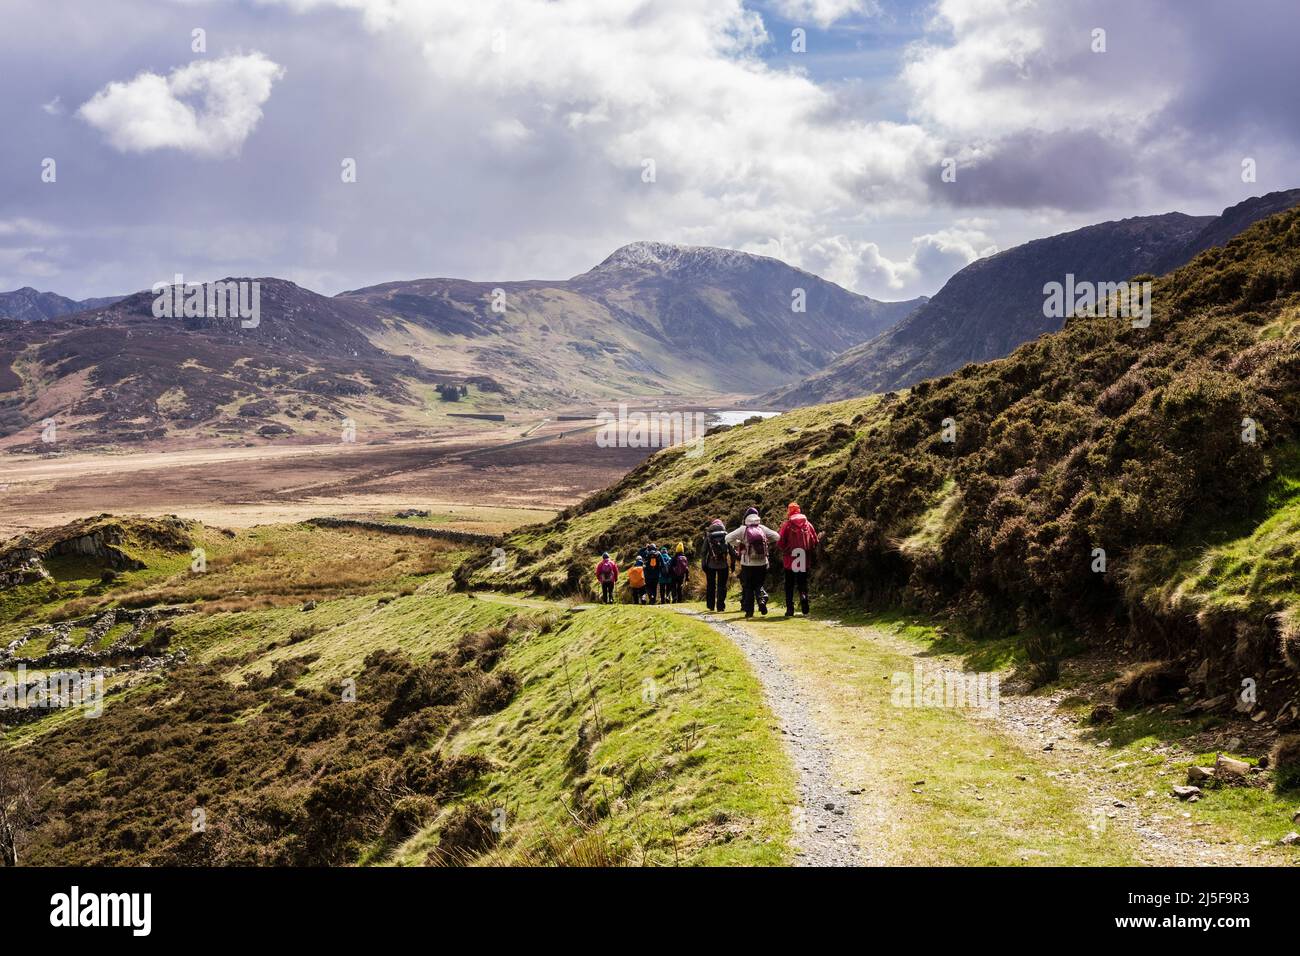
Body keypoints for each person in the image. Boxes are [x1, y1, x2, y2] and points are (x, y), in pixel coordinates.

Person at [726, 507, 779, 618]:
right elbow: (777, 536)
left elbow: (728, 538)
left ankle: (749, 612)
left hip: (747, 564)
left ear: (746, 518)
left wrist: (740, 544)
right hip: (762, 563)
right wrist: (765, 542)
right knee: (759, 585)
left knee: (749, 587)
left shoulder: (743, 529)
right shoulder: (762, 528)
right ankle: (762, 600)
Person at [777, 503, 819, 616]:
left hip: (790, 559)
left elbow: (780, 542)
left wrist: (785, 550)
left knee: (789, 585)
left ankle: (790, 610)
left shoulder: (787, 524)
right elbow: (815, 540)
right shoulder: (807, 523)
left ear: (789, 511)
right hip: (803, 558)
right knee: (802, 583)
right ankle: (804, 603)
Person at [699, 518, 736, 612]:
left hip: (711, 565)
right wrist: (732, 564)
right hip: (723, 564)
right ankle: (720, 606)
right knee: (722, 586)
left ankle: (711, 605)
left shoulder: (709, 536)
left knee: (711, 585)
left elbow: (703, 551)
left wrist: (703, 564)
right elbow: (732, 552)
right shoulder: (726, 535)